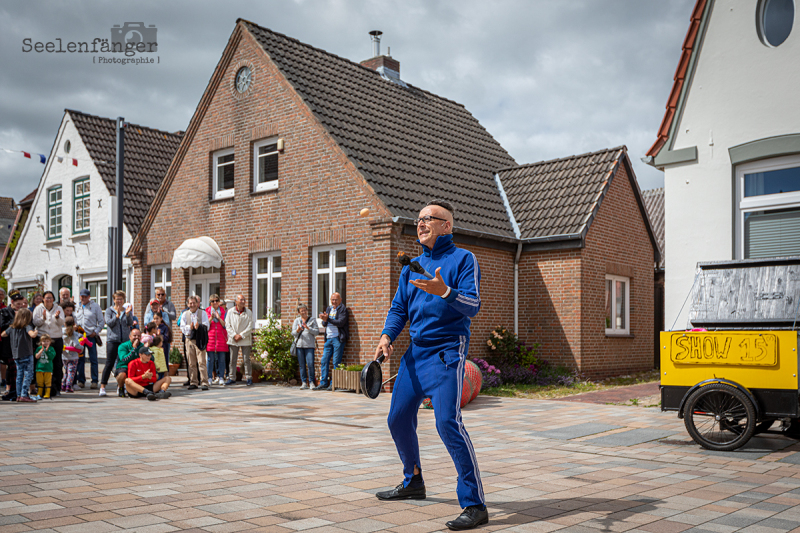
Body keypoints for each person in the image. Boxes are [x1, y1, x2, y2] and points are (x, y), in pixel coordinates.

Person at [374, 200, 488, 530]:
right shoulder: (410, 267)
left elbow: (473, 305)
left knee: (446, 423)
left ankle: (475, 504)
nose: (421, 223)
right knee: (396, 418)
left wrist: (446, 291)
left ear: (447, 226)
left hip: (447, 351)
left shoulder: (464, 259)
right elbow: (399, 310)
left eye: (430, 218)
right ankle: (413, 481)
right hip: (415, 353)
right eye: (419, 218)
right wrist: (386, 335)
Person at [100, 290, 134, 397]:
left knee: (123, 363)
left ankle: (121, 386)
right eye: (117, 299)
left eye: (121, 299)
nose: (119, 301)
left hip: (124, 340)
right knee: (109, 363)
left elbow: (130, 323)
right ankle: (102, 387)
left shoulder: (127, 310)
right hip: (113, 340)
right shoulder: (109, 311)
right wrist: (117, 316)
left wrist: (128, 315)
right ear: (114, 300)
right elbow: (109, 323)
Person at [1, 307, 38, 402]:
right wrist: (35, 332)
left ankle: (18, 395)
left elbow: (3, 334)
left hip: (16, 355)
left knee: (19, 375)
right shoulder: (27, 326)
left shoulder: (12, 327)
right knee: (28, 374)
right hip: (26, 353)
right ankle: (24, 394)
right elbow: (32, 335)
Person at [33, 291, 65, 396]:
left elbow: (62, 323)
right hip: (42, 338)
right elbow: (35, 322)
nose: (49, 300)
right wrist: (43, 318)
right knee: (41, 363)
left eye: (51, 298)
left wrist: (57, 317)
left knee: (57, 363)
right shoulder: (38, 308)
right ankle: (41, 388)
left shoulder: (59, 308)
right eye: (47, 298)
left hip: (56, 338)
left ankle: (56, 388)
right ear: (43, 298)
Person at [314, 293, 349, 391]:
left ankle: (334, 384)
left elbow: (341, 323)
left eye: (336, 300)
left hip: (338, 338)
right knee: (324, 360)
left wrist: (328, 319)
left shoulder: (343, 309)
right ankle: (323, 383)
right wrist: (324, 319)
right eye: (332, 300)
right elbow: (325, 324)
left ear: (340, 300)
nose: (334, 302)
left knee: (336, 362)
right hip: (328, 338)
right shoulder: (329, 309)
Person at [75, 289, 104, 389]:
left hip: (90, 336)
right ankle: (81, 380)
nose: (83, 298)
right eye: (82, 296)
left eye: (85, 296)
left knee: (93, 359)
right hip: (80, 337)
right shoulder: (77, 307)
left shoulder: (95, 306)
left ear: (89, 297)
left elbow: (101, 322)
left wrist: (95, 332)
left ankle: (94, 381)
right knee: (80, 359)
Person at [0, 290, 27, 401]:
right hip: (8, 345)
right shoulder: (4, 311)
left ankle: (15, 392)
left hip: (19, 344)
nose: (20, 306)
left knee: (16, 369)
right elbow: (2, 325)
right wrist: (15, 320)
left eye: (21, 304)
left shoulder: (22, 312)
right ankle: (12, 391)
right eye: (18, 304)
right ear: (12, 302)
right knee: (11, 369)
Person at [180, 296, 210, 390]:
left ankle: (204, 382)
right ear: (188, 304)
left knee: (201, 362)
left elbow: (206, 325)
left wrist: (199, 326)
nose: (192, 305)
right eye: (190, 303)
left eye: (194, 303)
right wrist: (190, 328)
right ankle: (193, 382)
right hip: (189, 340)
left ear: (197, 303)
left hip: (200, 340)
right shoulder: (185, 314)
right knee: (191, 362)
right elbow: (182, 327)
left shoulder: (203, 313)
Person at [225, 294, 253, 386]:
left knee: (246, 359)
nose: (243, 301)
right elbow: (227, 325)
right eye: (241, 300)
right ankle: (232, 377)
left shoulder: (248, 312)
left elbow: (250, 326)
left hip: (244, 338)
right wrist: (234, 335)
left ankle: (248, 378)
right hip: (234, 339)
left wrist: (241, 335)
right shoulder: (230, 312)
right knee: (232, 359)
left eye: (244, 300)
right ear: (236, 301)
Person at [292, 304, 319, 389]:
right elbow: (293, 333)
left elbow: (317, 332)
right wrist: (298, 330)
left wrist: (308, 328)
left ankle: (311, 382)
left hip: (309, 346)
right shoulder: (297, 321)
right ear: (299, 312)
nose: (304, 312)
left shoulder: (312, 320)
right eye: (301, 311)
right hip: (299, 346)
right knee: (302, 365)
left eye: (305, 310)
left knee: (310, 364)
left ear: (307, 310)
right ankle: (304, 382)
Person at [205, 294, 228, 385]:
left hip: (221, 337)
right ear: (210, 302)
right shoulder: (206, 311)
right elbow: (206, 325)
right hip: (210, 337)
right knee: (210, 359)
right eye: (213, 301)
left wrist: (218, 318)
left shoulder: (223, 311)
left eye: (216, 300)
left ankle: (221, 376)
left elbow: (225, 325)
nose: (215, 302)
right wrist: (211, 317)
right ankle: (209, 377)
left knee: (221, 359)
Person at [115, 328, 142, 397]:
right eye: (134, 335)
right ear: (130, 336)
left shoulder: (142, 346)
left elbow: (150, 358)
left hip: (137, 367)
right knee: (122, 375)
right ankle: (120, 387)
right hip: (124, 366)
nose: (137, 338)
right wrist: (133, 349)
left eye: (138, 336)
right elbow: (124, 359)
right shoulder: (123, 346)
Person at [61, 317, 83, 393]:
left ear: (64, 324)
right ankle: (68, 386)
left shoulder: (61, 332)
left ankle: (63, 385)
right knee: (71, 372)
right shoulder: (75, 333)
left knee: (66, 371)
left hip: (64, 356)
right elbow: (76, 344)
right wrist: (81, 348)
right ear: (74, 324)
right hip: (73, 356)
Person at [33, 333, 55, 400]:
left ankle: (47, 393)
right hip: (39, 368)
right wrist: (41, 351)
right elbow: (36, 356)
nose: (45, 343)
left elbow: (51, 357)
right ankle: (39, 392)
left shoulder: (51, 349)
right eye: (44, 341)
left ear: (50, 342)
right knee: (40, 381)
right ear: (41, 342)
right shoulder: (39, 348)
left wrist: (47, 351)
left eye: (47, 341)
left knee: (47, 382)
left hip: (48, 369)